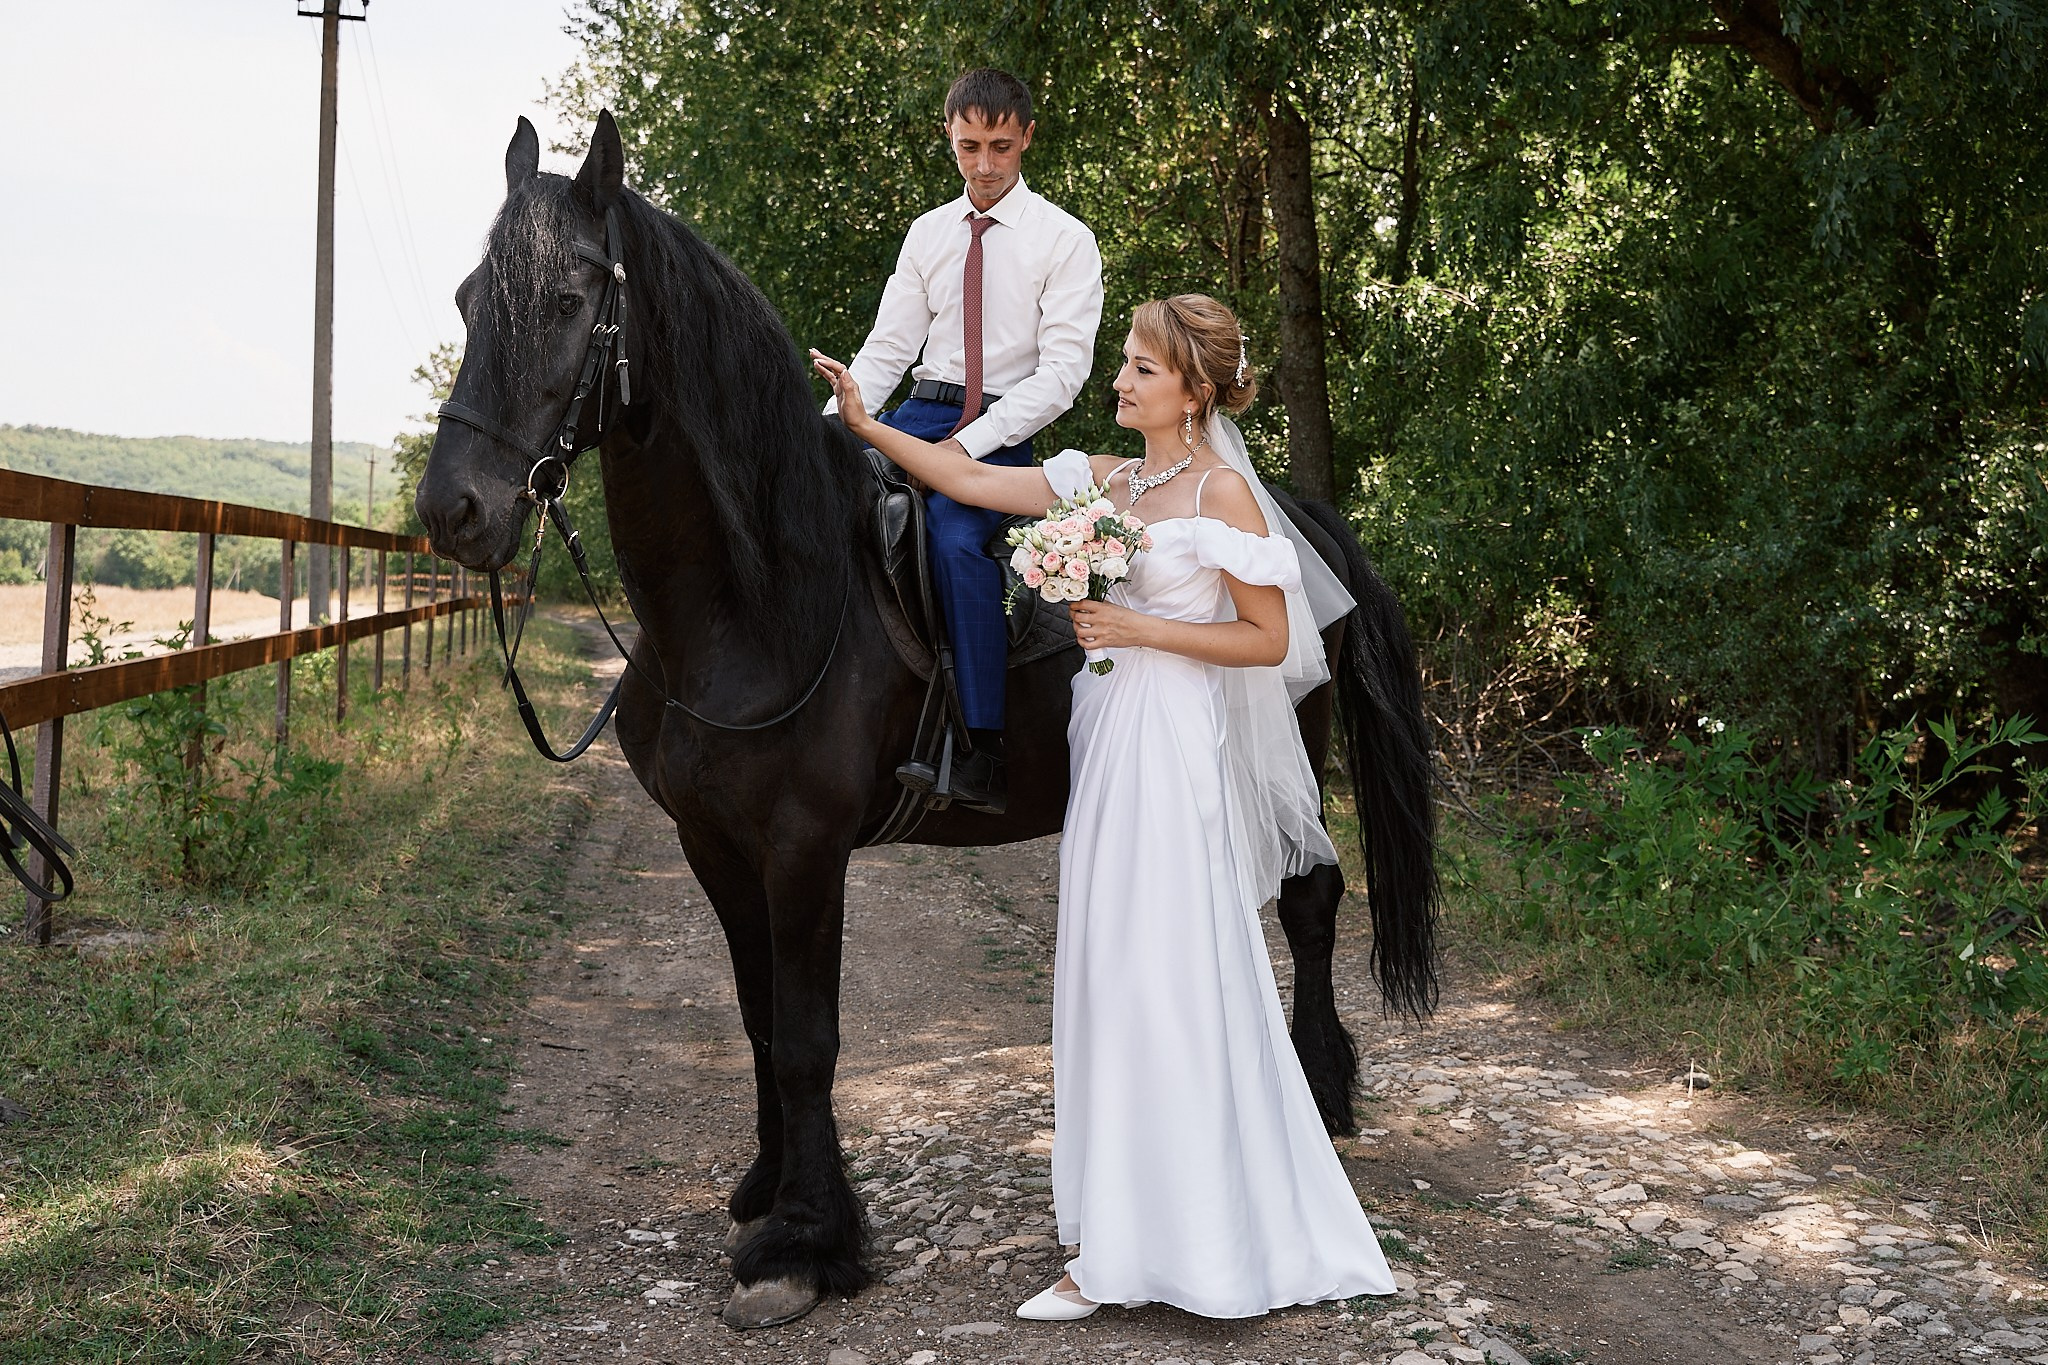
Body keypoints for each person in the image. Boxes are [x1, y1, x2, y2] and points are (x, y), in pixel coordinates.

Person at [810, 293, 1397, 1321]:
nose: (1117, 381)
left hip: (1174, 747)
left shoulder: (1223, 498)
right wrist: (868, 424)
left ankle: (1188, 1245)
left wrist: (1138, 625)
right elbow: (967, 477)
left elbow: (1269, 643)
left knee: (1165, 976)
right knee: (1102, 970)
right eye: (1123, 363)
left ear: (1193, 391)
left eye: (1138, 369)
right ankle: (1109, 1236)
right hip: (1108, 742)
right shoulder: (1103, 480)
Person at [825, 67, 1104, 814]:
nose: (984, 166)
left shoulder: (1066, 241)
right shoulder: (927, 234)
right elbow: (888, 351)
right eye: (969, 146)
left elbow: (1063, 375)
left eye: (1002, 147)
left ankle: (980, 745)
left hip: (1009, 428)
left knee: (951, 535)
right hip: (923, 409)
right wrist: (824, 433)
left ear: (1027, 140)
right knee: (821, 501)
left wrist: (969, 448)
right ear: (948, 136)